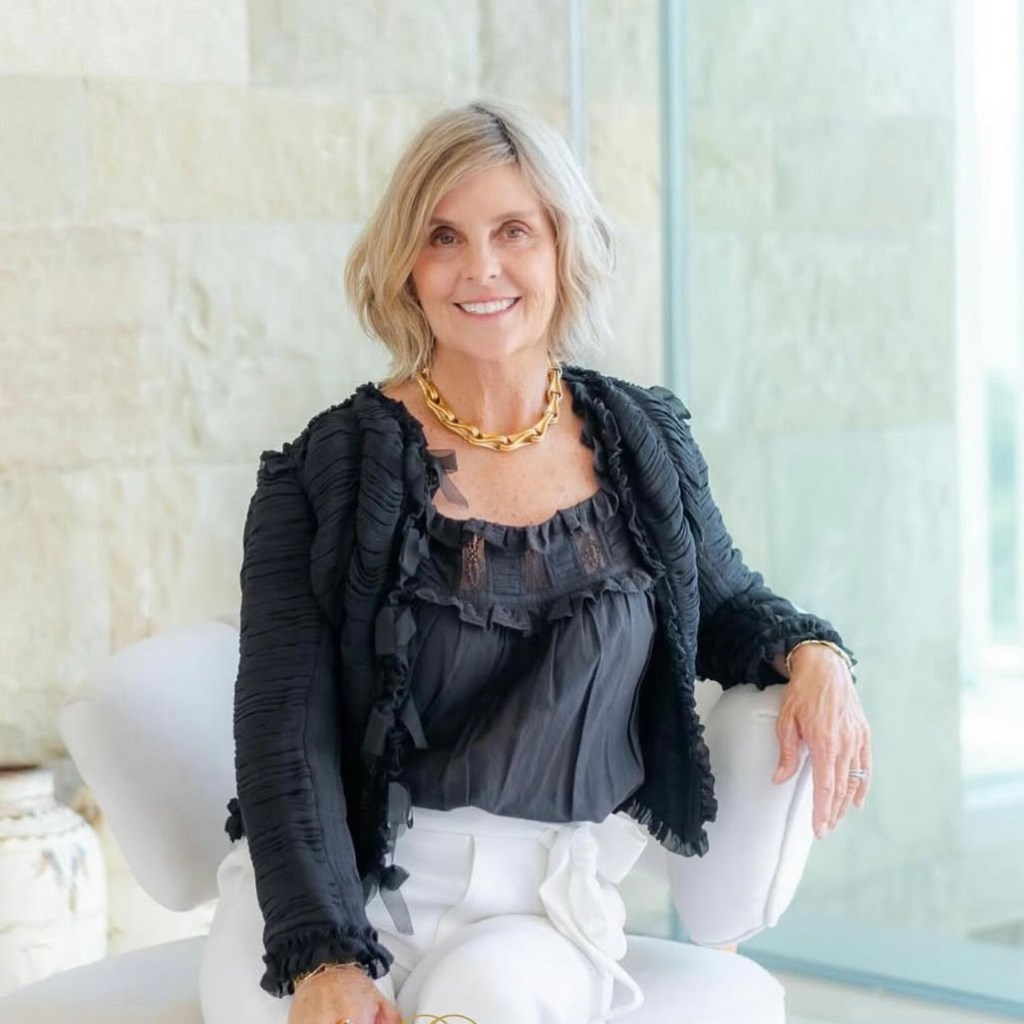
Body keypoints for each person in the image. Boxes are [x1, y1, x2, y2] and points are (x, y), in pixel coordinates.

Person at [199, 98, 871, 1024]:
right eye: (443, 237)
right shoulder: (324, 470)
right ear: (406, 265)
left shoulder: (642, 441)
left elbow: (726, 605)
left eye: (513, 230)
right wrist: (325, 960)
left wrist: (815, 653)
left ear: (561, 246)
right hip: (330, 888)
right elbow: (283, 731)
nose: (481, 268)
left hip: (539, 907)